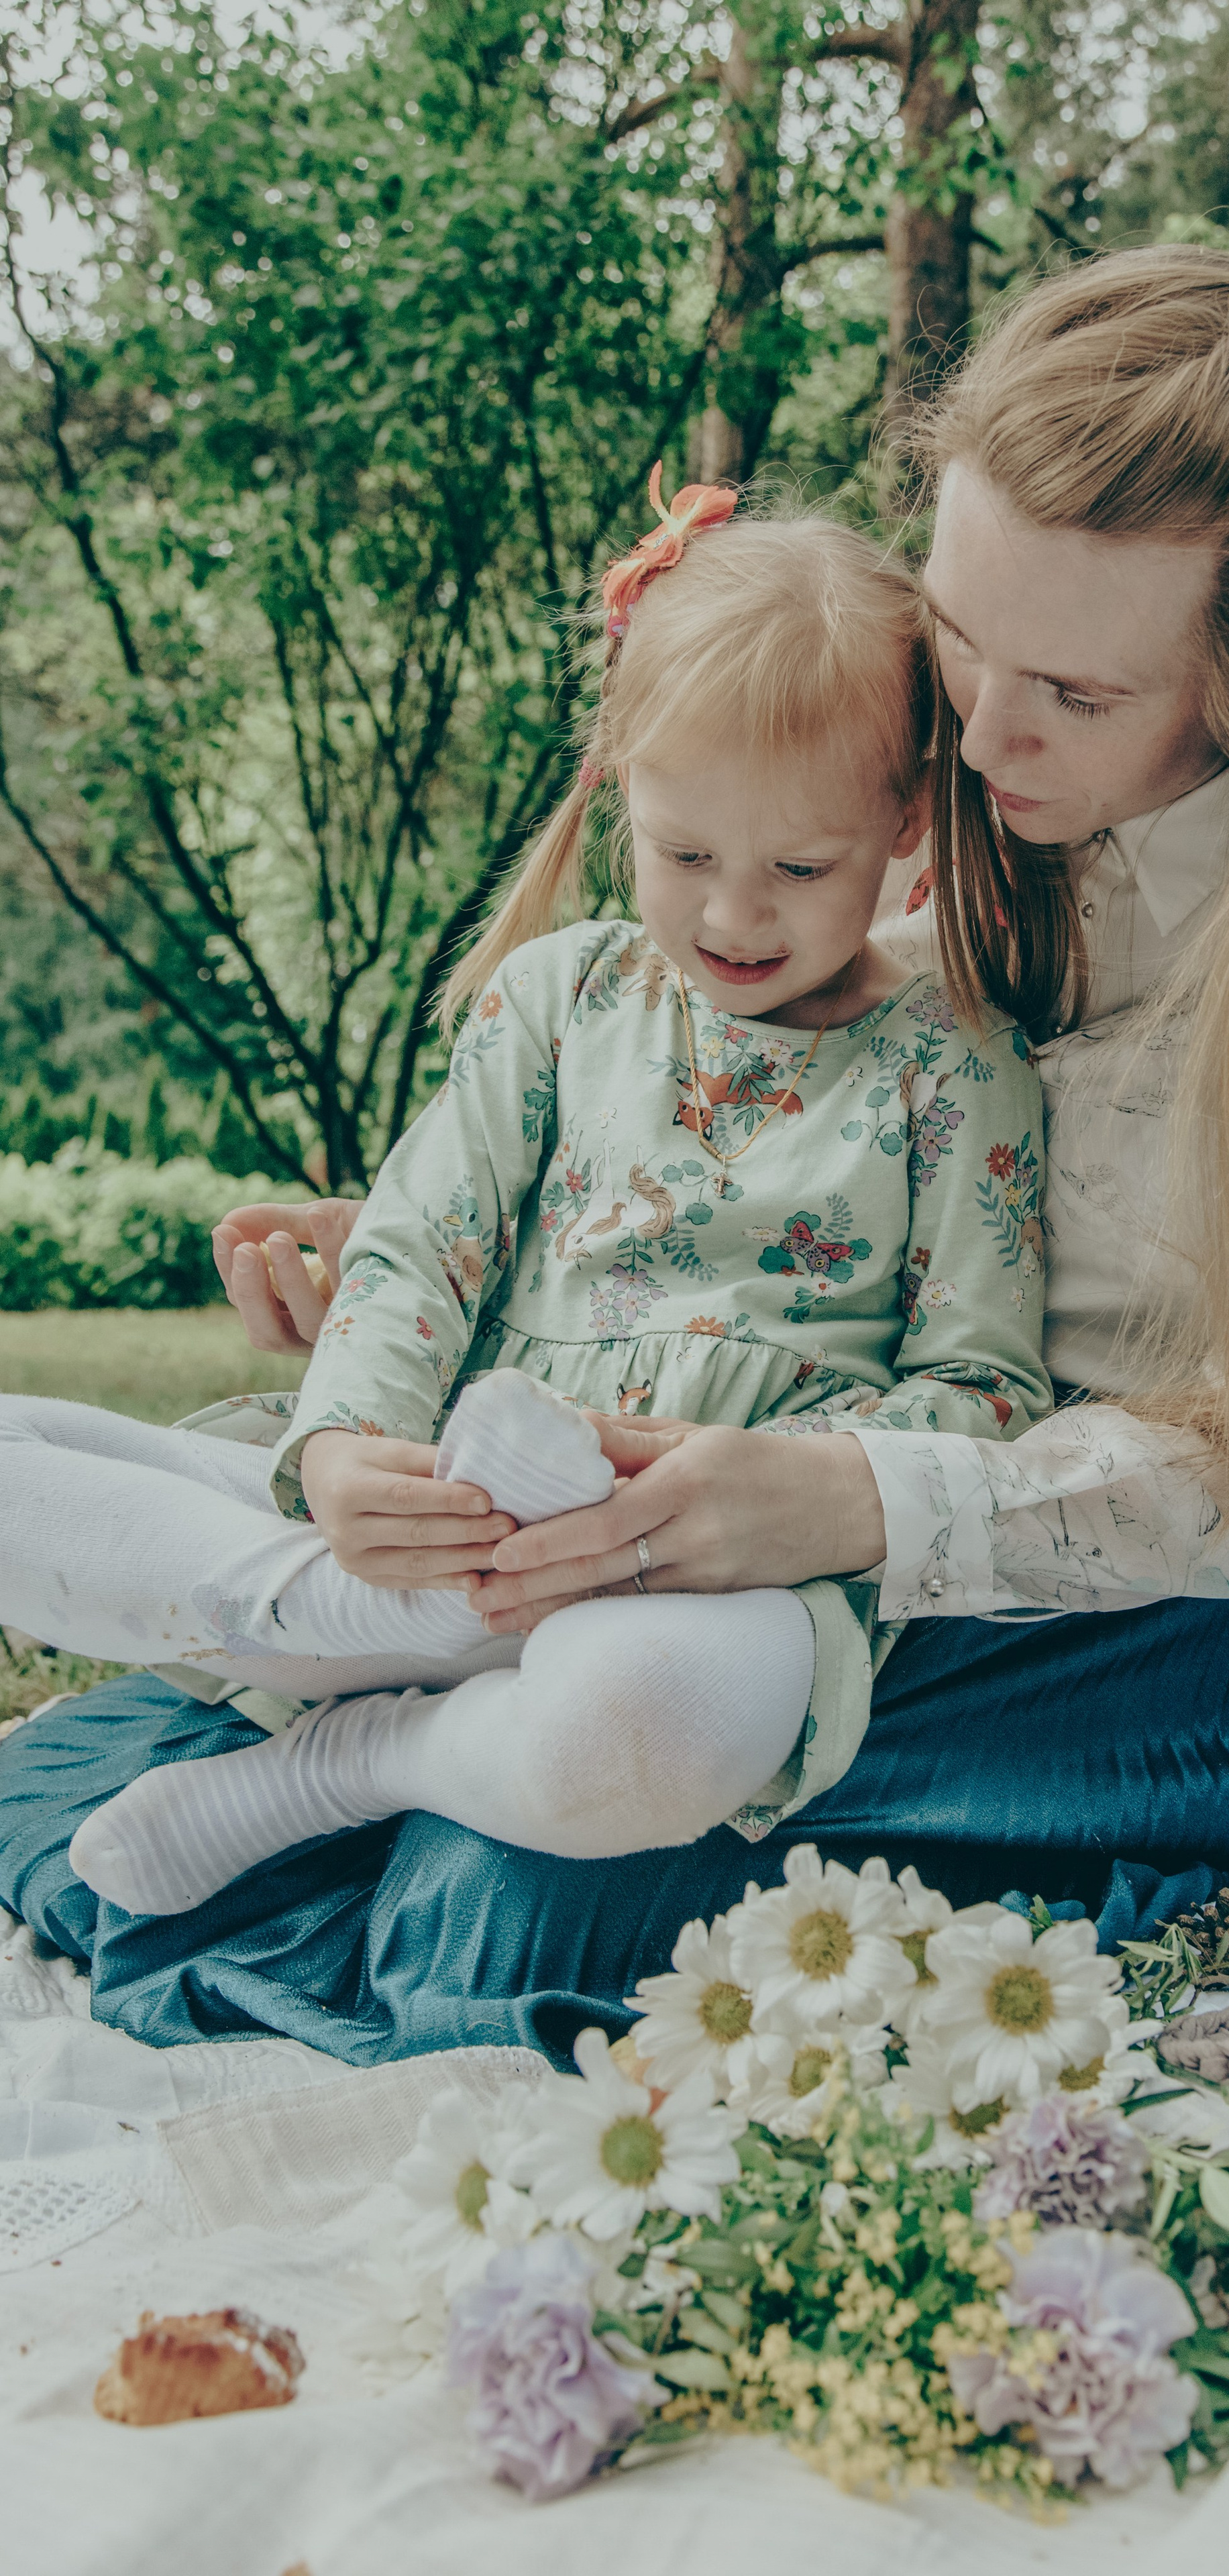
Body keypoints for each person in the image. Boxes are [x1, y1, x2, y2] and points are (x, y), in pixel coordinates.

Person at [0, 247, 1229, 2068]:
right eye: (958, 637)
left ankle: (1109, 1921)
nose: (977, 732)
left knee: (509, 1915)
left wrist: (855, 1502)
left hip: (1136, 1621)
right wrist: (478, 1251)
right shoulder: (947, 796)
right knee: (81, 1783)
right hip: (774, 1521)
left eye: (1072, 694)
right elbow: (773, 1129)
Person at [0, 493, 1049, 1917]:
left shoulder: (954, 1057)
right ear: (618, 782)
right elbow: (420, 1243)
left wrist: (779, 1479)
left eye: (799, 871)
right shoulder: (561, 1002)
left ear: (904, 818)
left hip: (715, 1569)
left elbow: (985, 1397)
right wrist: (350, 1451)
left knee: (647, 1734)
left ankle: (357, 1750)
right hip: (459, 1495)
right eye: (683, 856)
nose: (734, 920)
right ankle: (364, 1596)